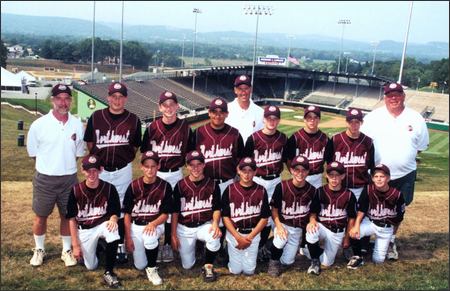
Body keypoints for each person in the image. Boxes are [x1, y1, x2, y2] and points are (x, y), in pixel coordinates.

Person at [360, 82, 429, 260]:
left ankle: (390, 240)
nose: (394, 98)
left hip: (404, 174)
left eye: (397, 94)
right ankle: (364, 241)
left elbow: (420, 147)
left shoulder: (416, 118)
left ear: (403, 96)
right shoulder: (373, 117)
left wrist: (401, 158)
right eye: (390, 95)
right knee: (370, 208)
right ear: (385, 97)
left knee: (397, 211)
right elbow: (363, 144)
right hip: (376, 176)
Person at [26, 84, 85, 267]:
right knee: (40, 216)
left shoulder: (76, 124)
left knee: (68, 216)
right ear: (52, 100)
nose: (63, 102)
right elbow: (33, 153)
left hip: (69, 178)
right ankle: (39, 249)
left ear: (71, 101)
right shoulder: (39, 124)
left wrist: (64, 166)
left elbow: (78, 152)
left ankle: (66, 250)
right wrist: (50, 167)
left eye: (67, 98)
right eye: (59, 98)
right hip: (45, 178)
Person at [83, 81, 142, 263]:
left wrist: (122, 158)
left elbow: (134, 146)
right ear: (108, 97)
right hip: (100, 170)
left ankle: (119, 244)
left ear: (125, 99)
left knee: (123, 206)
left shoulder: (133, 119)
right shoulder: (96, 116)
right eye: (113, 96)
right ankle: (102, 240)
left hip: (122, 169)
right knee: (99, 204)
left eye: (121, 97)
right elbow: (90, 143)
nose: (117, 100)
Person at [141, 90, 194, 263]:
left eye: (172, 105)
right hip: (156, 174)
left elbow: (191, 153)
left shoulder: (185, 128)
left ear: (178, 106)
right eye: (165, 105)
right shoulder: (152, 128)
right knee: (154, 208)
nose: (169, 108)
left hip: (175, 173)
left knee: (172, 211)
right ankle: (153, 243)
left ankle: (169, 246)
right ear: (160, 107)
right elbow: (145, 152)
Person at [194, 97, 245, 265]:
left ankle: (221, 246)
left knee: (224, 215)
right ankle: (202, 244)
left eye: (221, 112)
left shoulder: (234, 134)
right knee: (204, 212)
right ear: (209, 113)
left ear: (226, 114)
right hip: (205, 182)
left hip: (226, 181)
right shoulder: (199, 133)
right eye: (214, 112)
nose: (217, 115)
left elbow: (241, 159)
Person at [66, 154, 122, 288]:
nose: (92, 173)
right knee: (91, 266)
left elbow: (115, 212)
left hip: (102, 223)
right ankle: (98, 247)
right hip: (85, 229)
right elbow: (72, 219)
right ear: (83, 170)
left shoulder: (109, 188)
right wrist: (75, 245)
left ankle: (109, 271)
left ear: (101, 169)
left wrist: (113, 219)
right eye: (88, 170)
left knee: (113, 232)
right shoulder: (75, 190)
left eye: (95, 170)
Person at [326, 107, 375, 258]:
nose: (354, 125)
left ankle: (357, 246)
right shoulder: (335, 140)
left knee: (359, 218)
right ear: (346, 122)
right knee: (341, 216)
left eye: (357, 122)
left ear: (361, 122)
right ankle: (338, 242)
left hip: (360, 187)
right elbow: (329, 164)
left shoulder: (368, 142)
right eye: (351, 121)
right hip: (341, 186)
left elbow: (371, 166)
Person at [285, 105, 332, 258]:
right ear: (305, 119)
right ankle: (296, 239)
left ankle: (307, 242)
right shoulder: (295, 137)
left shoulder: (325, 138)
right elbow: (288, 159)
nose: (312, 120)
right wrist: (296, 175)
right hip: (299, 178)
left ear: (319, 119)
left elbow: (329, 161)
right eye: (309, 117)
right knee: (299, 208)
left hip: (316, 177)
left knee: (313, 210)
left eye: (315, 117)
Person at [243, 105, 287, 262]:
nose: (272, 121)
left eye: (275, 119)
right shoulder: (253, 139)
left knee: (270, 215)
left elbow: (287, 159)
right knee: (256, 213)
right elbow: (244, 162)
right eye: (269, 118)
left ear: (279, 120)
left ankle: (262, 245)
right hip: (257, 180)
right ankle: (253, 242)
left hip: (275, 180)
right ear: (263, 119)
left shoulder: (282, 138)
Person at [171, 150, 222, 282]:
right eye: (192, 165)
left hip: (204, 225)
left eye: (199, 164)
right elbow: (175, 212)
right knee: (187, 265)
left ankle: (208, 265)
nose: (195, 168)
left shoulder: (212, 184)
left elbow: (216, 208)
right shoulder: (180, 185)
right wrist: (173, 234)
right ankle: (196, 249)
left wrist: (215, 223)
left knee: (214, 237)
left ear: (204, 165)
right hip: (184, 228)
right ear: (186, 166)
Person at [122, 151, 172, 286]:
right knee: (139, 265)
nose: (150, 169)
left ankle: (152, 269)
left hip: (155, 223)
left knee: (150, 237)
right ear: (141, 167)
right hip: (136, 226)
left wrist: (154, 223)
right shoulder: (133, 186)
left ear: (158, 166)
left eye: (153, 166)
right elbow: (127, 214)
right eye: (147, 166)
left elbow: (165, 214)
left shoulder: (165, 186)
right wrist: (128, 237)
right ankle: (148, 257)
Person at [347, 164, 405, 269]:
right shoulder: (368, 189)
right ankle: (358, 257)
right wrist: (356, 226)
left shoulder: (397, 194)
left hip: (386, 229)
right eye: (376, 176)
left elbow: (399, 218)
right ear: (372, 178)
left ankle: (378, 244)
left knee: (378, 260)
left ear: (388, 178)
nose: (379, 179)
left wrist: (392, 237)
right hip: (371, 223)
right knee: (353, 233)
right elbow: (361, 210)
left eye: (382, 176)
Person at [267, 155, 316, 277]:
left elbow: (313, 211)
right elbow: (274, 209)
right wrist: (278, 226)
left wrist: (312, 220)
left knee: (288, 261)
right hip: (283, 222)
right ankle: (273, 261)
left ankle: (269, 247)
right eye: (297, 170)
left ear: (308, 171)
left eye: (304, 170)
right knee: (280, 239)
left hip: (297, 228)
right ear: (291, 170)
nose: (300, 173)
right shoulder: (282, 186)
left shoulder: (312, 190)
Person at [305, 161, 357, 276]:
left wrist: (347, 239)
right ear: (326, 175)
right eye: (331, 175)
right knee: (311, 231)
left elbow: (352, 219)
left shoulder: (349, 195)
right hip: (322, 226)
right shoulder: (319, 191)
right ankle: (314, 261)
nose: (334, 178)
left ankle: (311, 250)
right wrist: (312, 221)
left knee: (327, 263)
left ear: (343, 176)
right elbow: (313, 212)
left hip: (337, 231)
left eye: (337, 175)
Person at [221, 157, 271, 275]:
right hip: (235, 234)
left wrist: (249, 239)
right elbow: (225, 218)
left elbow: (264, 219)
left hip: (252, 234)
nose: (247, 174)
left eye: (250, 170)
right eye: (244, 170)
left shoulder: (261, 190)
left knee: (249, 271)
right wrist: (239, 238)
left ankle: (241, 251)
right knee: (236, 271)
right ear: (238, 170)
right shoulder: (229, 189)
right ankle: (230, 249)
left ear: (255, 172)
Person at [225, 74, 264, 144]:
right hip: (231, 152)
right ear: (235, 90)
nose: (243, 92)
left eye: (246, 88)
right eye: (240, 89)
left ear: (251, 89)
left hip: (251, 153)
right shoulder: (226, 109)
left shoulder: (260, 112)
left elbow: (262, 137)